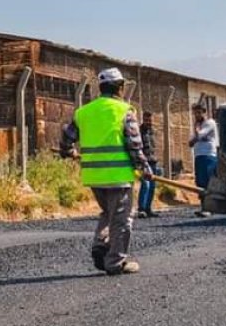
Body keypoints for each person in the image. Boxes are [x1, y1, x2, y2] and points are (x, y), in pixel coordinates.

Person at [61, 68, 152, 275]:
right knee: (123, 218)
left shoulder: (84, 112)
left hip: (94, 176)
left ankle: (100, 244)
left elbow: (67, 137)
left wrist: (68, 151)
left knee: (108, 213)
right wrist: (144, 168)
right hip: (118, 176)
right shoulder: (123, 110)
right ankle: (115, 262)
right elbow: (134, 144)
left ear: (100, 88)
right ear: (120, 88)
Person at [189, 104, 219, 215]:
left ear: (204, 112)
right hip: (198, 155)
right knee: (200, 182)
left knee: (208, 181)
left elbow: (199, 135)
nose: (196, 115)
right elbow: (191, 142)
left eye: (199, 112)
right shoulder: (198, 125)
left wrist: (196, 131)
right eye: (195, 113)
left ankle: (210, 208)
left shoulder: (209, 123)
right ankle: (203, 207)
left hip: (208, 155)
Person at [137, 111, 160, 218]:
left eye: (150, 120)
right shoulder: (139, 131)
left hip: (153, 160)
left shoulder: (152, 132)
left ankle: (148, 208)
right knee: (145, 184)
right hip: (144, 162)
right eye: (146, 120)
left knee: (152, 186)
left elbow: (154, 147)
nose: (148, 122)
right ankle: (141, 209)